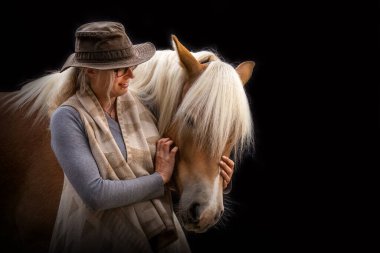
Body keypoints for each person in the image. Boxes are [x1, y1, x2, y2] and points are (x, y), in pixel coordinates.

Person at [48, 21, 235, 253]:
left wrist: (216, 180)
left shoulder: (140, 110)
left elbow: (157, 175)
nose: (131, 74)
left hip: (145, 241)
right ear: (90, 70)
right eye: (120, 68)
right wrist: (159, 178)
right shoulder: (67, 118)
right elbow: (95, 194)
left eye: (131, 65)